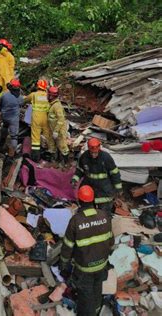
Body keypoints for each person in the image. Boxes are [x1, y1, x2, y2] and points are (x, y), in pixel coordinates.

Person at [60, 185, 114, 316]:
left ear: (79, 201)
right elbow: (111, 242)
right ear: (93, 199)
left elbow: (67, 246)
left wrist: (63, 264)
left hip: (85, 269)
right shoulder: (104, 216)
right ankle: (96, 311)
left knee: (86, 297)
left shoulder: (76, 221)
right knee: (97, 290)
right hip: (102, 265)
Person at [71, 138, 123, 214]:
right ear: (89, 149)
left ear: (99, 149)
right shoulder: (84, 157)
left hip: (104, 189)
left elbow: (114, 173)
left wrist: (118, 188)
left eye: (95, 152)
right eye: (92, 152)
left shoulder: (106, 158)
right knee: (88, 211)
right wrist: (75, 179)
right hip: (89, 187)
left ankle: (105, 222)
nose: (93, 155)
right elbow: (80, 170)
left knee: (105, 212)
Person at [24, 79, 56, 162]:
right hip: (45, 118)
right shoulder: (48, 95)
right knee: (47, 136)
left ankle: (35, 157)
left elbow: (25, 100)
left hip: (36, 118)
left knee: (35, 138)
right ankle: (50, 155)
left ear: (38, 86)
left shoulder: (34, 95)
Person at [0, 78, 24, 157]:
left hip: (5, 116)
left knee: (5, 127)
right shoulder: (20, 97)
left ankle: (1, 144)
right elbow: (21, 104)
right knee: (14, 137)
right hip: (14, 119)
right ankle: (12, 154)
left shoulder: (5, 94)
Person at [47, 86, 69, 165]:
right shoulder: (52, 104)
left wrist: (56, 131)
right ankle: (55, 161)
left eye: (49, 94)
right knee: (52, 146)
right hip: (52, 130)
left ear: (51, 95)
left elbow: (61, 119)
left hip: (58, 131)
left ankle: (66, 163)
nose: (47, 96)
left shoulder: (57, 106)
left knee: (62, 147)